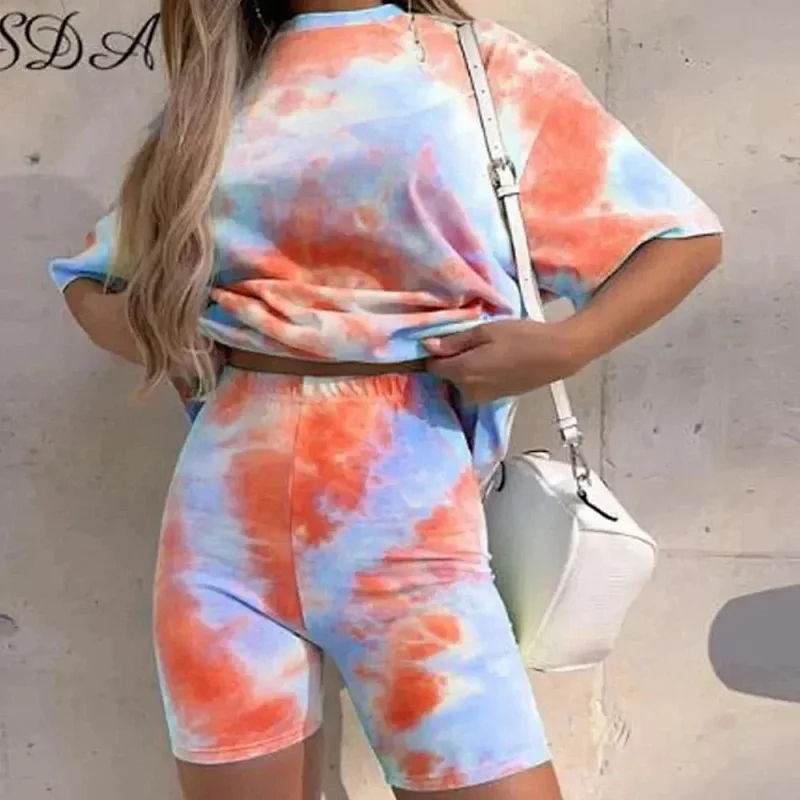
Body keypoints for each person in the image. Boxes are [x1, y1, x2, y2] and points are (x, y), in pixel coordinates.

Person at [49, 1, 723, 798]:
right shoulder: (218, 95)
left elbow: (680, 239)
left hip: (410, 513)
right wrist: (167, 335)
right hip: (220, 530)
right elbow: (91, 281)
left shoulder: (483, 69)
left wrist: (568, 345)